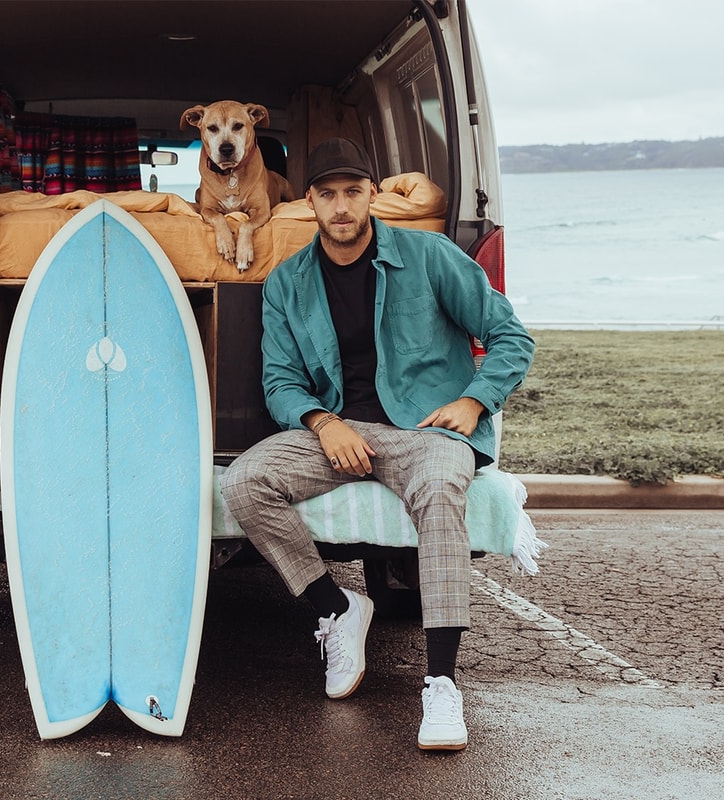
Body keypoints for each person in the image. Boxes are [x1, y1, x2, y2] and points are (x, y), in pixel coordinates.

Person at [219, 137, 535, 751]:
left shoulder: (429, 255)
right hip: (338, 430)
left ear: (373, 196)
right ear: (308, 201)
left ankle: (441, 684)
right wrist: (321, 422)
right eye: (328, 194)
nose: (341, 207)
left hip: (426, 430)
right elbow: (280, 380)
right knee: (244, 481)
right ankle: (336, 608)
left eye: (353, 193)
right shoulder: (288, 283)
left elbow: (509, 336)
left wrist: (474, 401)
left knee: (443, 488)